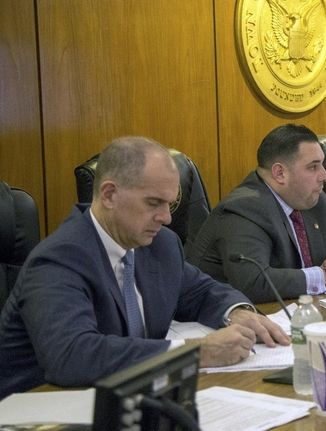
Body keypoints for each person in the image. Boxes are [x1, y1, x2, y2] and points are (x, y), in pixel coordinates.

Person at [0, 137, 289, 399]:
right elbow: (72, 356)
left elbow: (200, 291)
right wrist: (195, 353)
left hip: (128, 396)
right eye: (154, 203)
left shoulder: (160, 244)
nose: (165, 217)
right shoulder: (59, 260)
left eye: (170, 203)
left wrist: (236, 312)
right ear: (110, 195)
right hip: (44, 406)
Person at [185, 124, 326, 304]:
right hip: (227, 318)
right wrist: (324, 276)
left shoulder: (313, 201)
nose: (325, 176)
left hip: (298, 310)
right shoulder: (244, 209)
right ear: (280, 173)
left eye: (322, 165)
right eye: (313, 167)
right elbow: (254, 282)